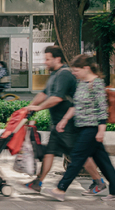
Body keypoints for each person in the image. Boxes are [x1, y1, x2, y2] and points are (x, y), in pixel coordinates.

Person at [23, 46, 106, 195]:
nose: (45, 62)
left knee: (77, 154)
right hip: (57, 122)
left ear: (57, 59)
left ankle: (98, 181)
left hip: (68, 123)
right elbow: (44, 93)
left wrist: (38, 108)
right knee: (50, 152)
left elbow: (57, 98)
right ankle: (38, 182)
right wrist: (30, 107)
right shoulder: (54, 74)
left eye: (48, 59)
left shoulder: (64, 74)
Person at [41, 55, 115, 201]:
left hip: (92, 128)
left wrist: (101, 130)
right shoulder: (81, 83)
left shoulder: (97, 84)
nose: (74, 73)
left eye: (76, 70)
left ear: (86, 68)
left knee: (77, 157)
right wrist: (64, 120)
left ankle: (61, 189)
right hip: (82, 127)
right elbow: (75, 105)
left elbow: (101, 110)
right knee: (103, 161)